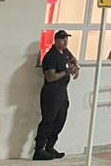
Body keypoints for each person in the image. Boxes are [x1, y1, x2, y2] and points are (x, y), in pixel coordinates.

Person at [34, 30, 79, 160]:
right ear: (56, 40)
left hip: (62, 92)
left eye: (66, 39)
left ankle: (50, 146)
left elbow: (73, 59)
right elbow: (50, 77)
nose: (65, 42)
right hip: (51, 93)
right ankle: (39, 150)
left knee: (60, 120)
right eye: (62, 39)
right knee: (48, 120)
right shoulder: (51, 57)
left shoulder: (64, 52)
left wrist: (76, 67)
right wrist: (67, 72)